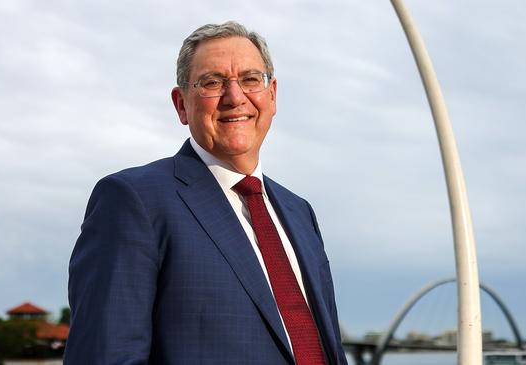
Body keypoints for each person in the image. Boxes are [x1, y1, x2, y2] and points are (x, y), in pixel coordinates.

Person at [64, 21, 348, 365]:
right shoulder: (133, 200)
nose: (234, 97)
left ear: (271, 95)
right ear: (181, 104)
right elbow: (105, 356)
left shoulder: (299, 213)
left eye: (250, 79)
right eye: (212, 82)